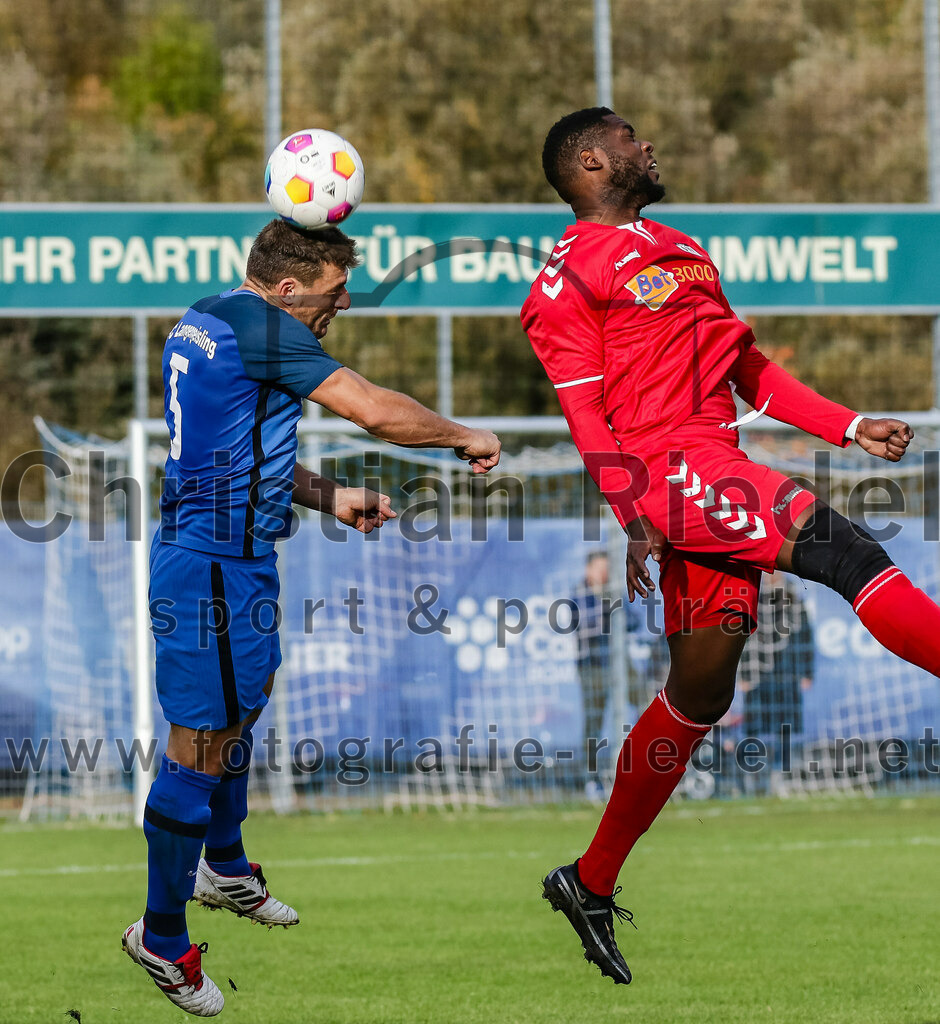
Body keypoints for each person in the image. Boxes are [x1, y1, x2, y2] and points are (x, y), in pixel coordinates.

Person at [521, 106, 936, 986]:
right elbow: (586, 419)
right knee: (848, 552)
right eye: (632, 135)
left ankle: (588, 881)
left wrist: (849, 423)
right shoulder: (563, 282)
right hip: (671, 472)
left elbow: (747, 372)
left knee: (699, 695)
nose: (649, 144)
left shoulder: (682, 248)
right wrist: (633, 512)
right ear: (593, 160)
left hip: (713, 462)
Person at [123, 219, 501, 1016]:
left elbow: (239, 444)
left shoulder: (213, 313)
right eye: (335, 291)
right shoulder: (266, 328)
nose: (344, 304)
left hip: (234, 559)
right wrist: (463, 434)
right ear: (290, 288)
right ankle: (160, 937)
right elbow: (375, 412)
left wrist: (332, 496)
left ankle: (224, 866)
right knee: (200, 743)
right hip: (210, 566)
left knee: (241, 711)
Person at [571, 550, 637, 801]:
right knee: (593, 723)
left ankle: (652, 766)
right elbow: (585, 626)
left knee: (647, 704)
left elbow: (632, 622)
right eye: (599, 568)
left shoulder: (614, 592)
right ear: (589, 570)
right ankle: (591, 779)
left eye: (606, 568)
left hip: (619, 662)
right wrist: (607, 609)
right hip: (592, 665)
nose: (603, 573)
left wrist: (615, 606)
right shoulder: (579, 594)